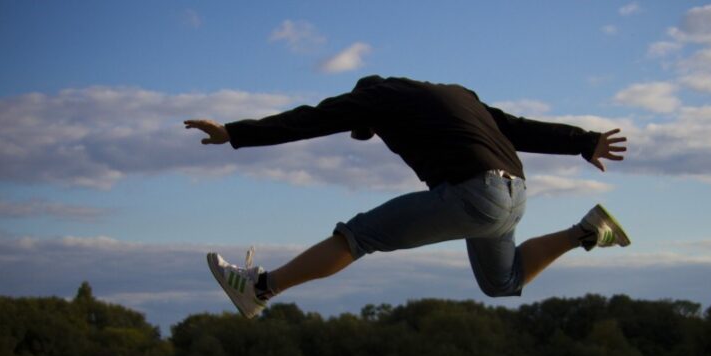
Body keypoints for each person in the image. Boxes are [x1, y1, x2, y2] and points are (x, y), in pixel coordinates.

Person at [185, 75, 629, 319]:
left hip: (475, 194)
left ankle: (259, 289)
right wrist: (583, 141)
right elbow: (516, 126)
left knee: (357, 236)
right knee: (503, 282)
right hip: (515, 193)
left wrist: (235, 133)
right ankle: (586, 232)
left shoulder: (373, 98)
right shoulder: (458, 95)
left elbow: (310, 120)